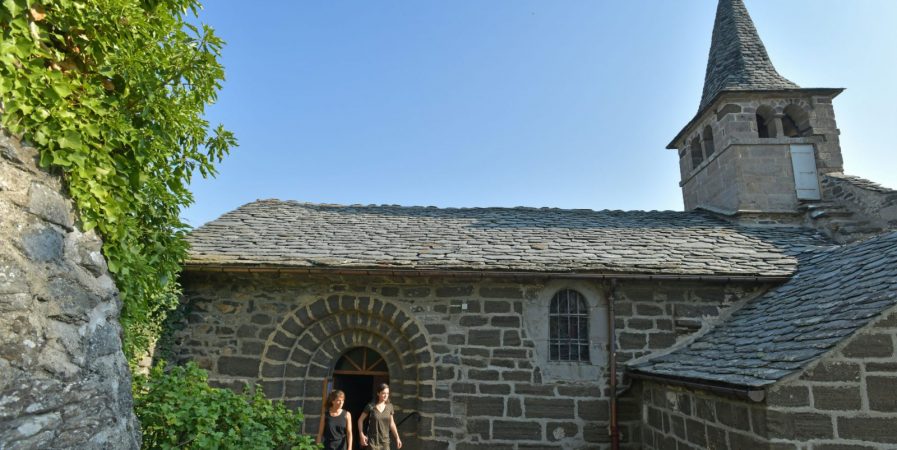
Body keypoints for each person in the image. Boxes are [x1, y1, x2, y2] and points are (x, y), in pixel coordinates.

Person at [357, 383, 402, 450]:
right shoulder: (370, 406)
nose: (386, 395)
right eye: (383, 393)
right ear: (378, 393)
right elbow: (360, 420)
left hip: (385, 442)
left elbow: (392, 424)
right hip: (372, 442)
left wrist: (397, 438)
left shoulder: (390, 407)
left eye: (387, 393)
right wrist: (361, 434)